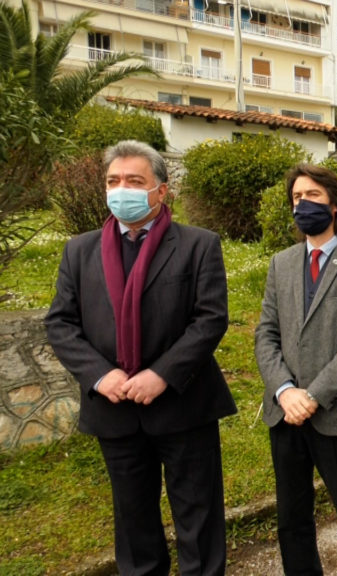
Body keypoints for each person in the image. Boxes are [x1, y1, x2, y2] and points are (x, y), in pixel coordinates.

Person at [45, 140, 237, 575]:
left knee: (200, 523)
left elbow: (210, 319)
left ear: (161, 191)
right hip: (114, 411)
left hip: (184, 407)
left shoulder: (198, 245)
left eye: (135, 181)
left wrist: (162, 375)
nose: (122, 190)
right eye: (114, 181)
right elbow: (61, 323)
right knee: (134, 529)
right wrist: (99, 376)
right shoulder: (80, 250)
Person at [254, 163, 337, 576]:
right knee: (292, 520)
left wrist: (311, 396)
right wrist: (284, 391)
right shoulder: (281, 263)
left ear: (334, 205)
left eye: (312, 195)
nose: (303, 204)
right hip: (285, 414)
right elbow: (266, 335)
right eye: (296, 197)